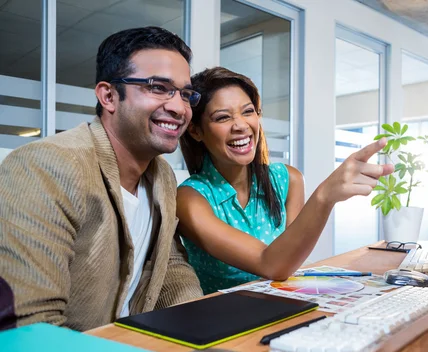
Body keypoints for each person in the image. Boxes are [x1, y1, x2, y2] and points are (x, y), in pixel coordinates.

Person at [0, 27, 203, 332]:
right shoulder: (46, 166)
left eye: (185, 94)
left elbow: (171, 265)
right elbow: (32, 328)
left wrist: (203, 330)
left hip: (131, 351)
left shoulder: (162, 176)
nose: (179, 107)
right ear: (108, 96)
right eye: (158, 87)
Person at [177, 67, 393, 294]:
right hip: (222, 321)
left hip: (283, 309)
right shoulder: (190, 199)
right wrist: (324, 197)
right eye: (223, 117)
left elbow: (290, 263)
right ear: (196, 131)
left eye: (248, 112)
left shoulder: (287, 180)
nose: (240, 125)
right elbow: (271, 264)